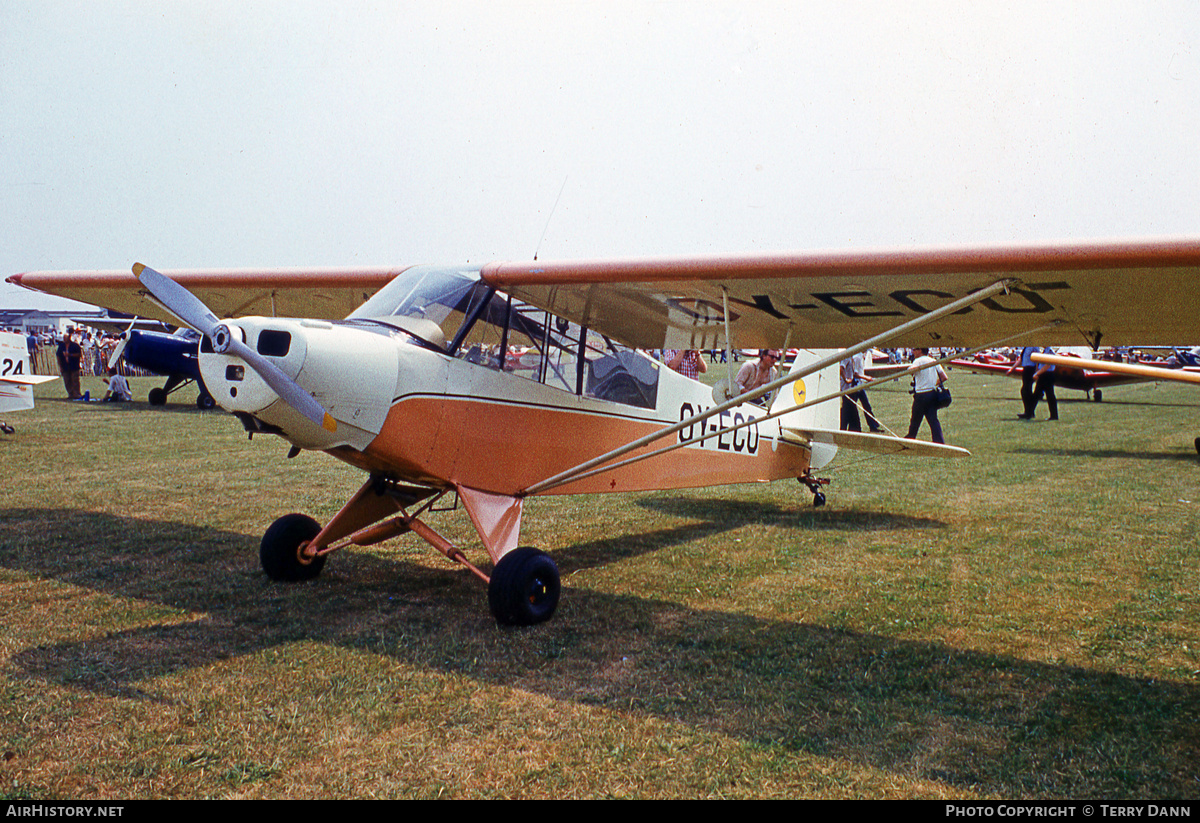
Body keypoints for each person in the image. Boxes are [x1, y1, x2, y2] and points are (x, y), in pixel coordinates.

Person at [905, 347, 948, 443]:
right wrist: (932, 383)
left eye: (915, 349)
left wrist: (910, 369)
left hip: (921, 395)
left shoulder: (918, 361)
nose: (913, 351)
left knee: (915, 419)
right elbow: (944, 377)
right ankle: (939, 441)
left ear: (920, 350)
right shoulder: (933, 361)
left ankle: (910, 438)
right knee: (933, 420)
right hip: (932, 394)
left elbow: (910, 370)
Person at [1007, 346, 1039, 419]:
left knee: (1026, 390)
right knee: (1026, 391)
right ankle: (1029, 412)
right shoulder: (1026, 347)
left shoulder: (1034, 347)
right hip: (1026, 369)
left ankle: (1029, 412)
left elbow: (1037, 360)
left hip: (1031, 370)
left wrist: (1037, 372)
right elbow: (1021, 359)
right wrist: (1012, 369)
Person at [1029, 348, 1058, 420]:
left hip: (1047, 375)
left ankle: (1054, 416)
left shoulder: (1050, 351)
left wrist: (1037, 373)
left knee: (1049, 395)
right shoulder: (1045, 350)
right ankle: (1029, 413)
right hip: (1043, 374)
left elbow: (1048, 365)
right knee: (1037, 394)